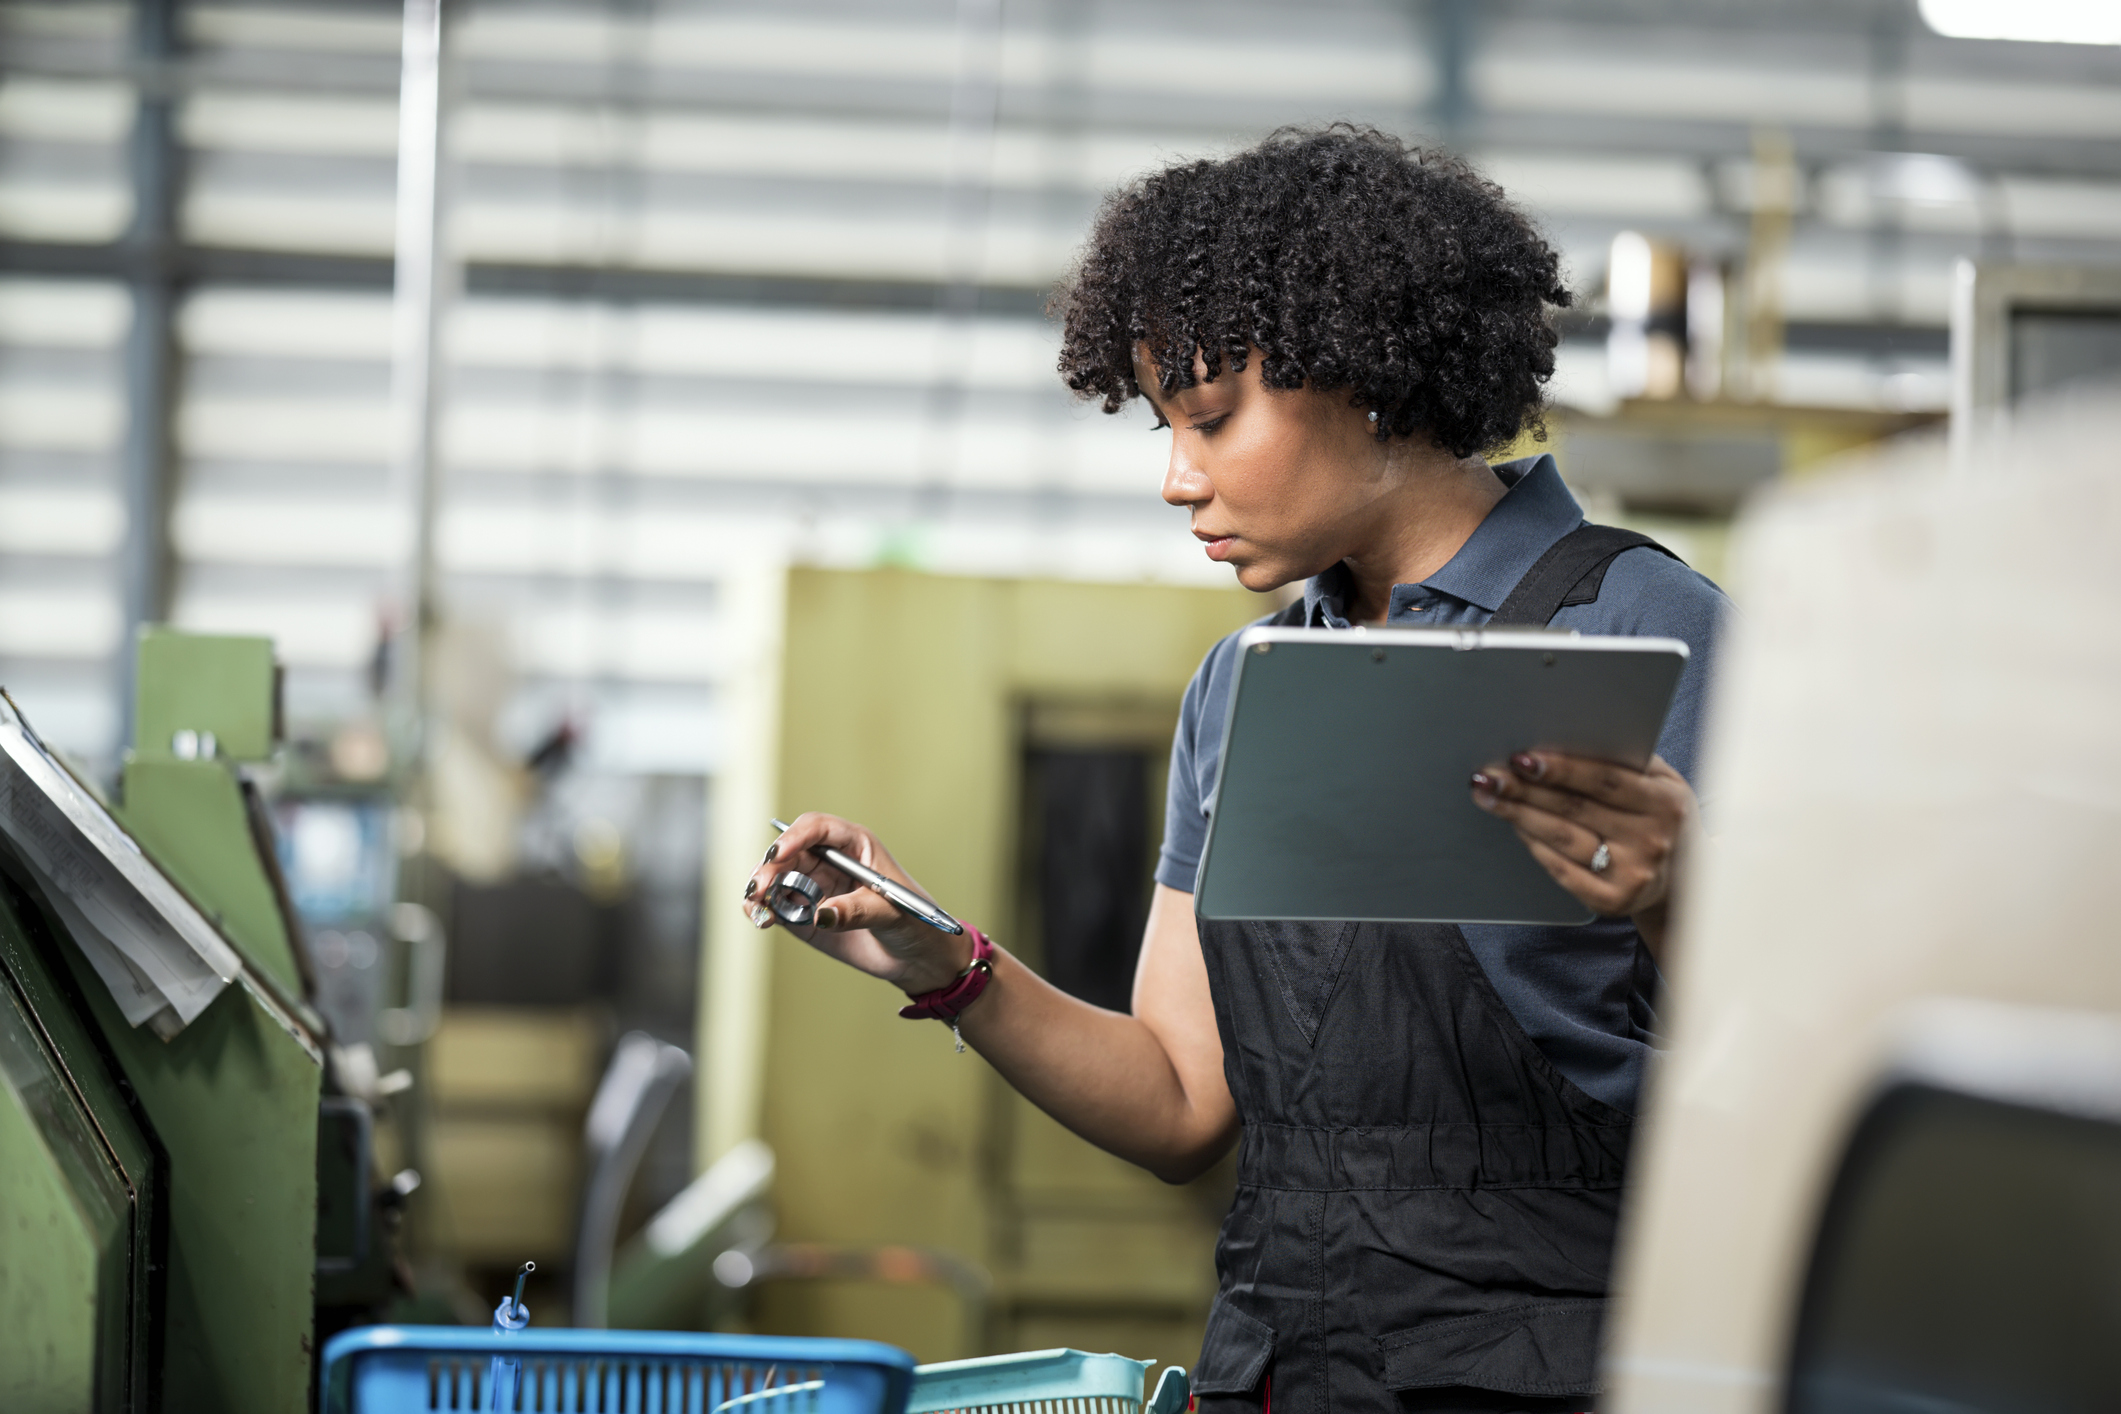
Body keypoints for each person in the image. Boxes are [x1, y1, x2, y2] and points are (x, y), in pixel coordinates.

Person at [744, 126, 1727, 1414]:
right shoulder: (1241, 688)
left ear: (1365, 369)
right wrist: (949, 966)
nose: (1174, 477)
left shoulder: (1641, 632)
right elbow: (1179, 1099)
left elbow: (1814, 1066)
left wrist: (1681, 891)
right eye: (1163, 427)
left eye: (1209, 419)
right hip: (1286, 1372)